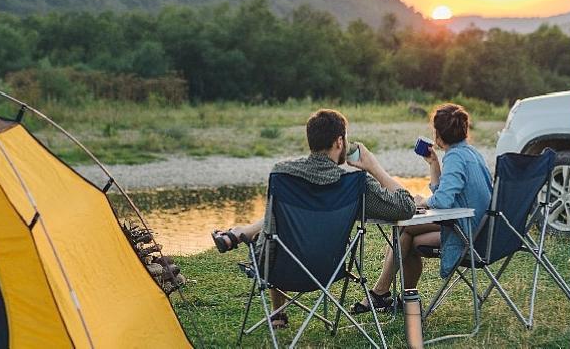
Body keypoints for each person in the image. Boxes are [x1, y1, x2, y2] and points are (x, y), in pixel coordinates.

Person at [211, 108, 416, 328]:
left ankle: (277, 311)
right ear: (339, 142)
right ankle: (242, 233)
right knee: (275, 227)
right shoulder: (354, 183)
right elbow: (406, 206)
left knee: (273, 231)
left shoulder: (283, 174)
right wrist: (374, 167)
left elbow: (271, 231)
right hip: (329, 269)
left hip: (278, 269)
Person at [352, 103, 493, 314]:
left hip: (465, 232)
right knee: (408, 238)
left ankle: (381, 294)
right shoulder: (470, 153)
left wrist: (422, 202)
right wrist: (434, 165)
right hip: (477, 227)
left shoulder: (455, 157)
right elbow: (445, 192)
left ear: (437, 135)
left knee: (406, 231)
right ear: (465, 130)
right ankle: (401, 298)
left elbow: (443, 201)